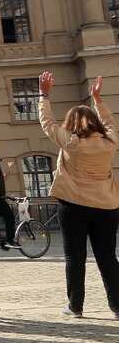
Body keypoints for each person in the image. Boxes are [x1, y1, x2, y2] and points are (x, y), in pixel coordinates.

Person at [38, 72, 119, 318]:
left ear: (72, 124)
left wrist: (44, 94)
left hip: (73, 204)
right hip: (107, 205)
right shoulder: (110, 142)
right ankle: (117, 306)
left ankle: (76, 306)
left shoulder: (71, 142)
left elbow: (47, 123)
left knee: (75, 256)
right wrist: (98, 100)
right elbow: (109, 123)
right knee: (107, 256)